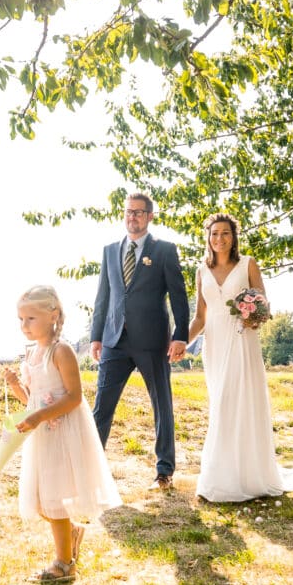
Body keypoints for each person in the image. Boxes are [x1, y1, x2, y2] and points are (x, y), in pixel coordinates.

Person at [186, 214, 293, 502]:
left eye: (225, 233)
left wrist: (254, 318)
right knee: (220, 403)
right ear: (208, 237)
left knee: (237, 403)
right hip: (215, 344)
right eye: (214, 233)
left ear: (233, 237)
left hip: (241, 340)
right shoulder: (201, 271)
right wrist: (180, 342)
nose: (219, 238)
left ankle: (234, 479)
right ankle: (225, 473)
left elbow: (263, 306)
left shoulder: (247, 264)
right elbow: (200, 317)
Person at [4, 285, 122, 582]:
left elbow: (74, 396)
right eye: (20, 319)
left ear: (53, 315)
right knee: (42, 498)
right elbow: (32, 398)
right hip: (42, 432)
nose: (24, 326)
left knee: (53, 499)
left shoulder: (61, 351)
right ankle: (70, 534)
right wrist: (17, 387)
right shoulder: (32, 354)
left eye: (31, 318)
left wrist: (39, 415)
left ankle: (64, 563)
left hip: (63, 430)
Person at [89, 192, 191, 490]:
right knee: (101, 408)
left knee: (162, 404)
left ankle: (164, 470)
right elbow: (103, 297)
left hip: (152, 341)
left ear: (150, 216)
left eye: (138, 212)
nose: (132, 216)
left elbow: (179, 296)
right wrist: (96, 336)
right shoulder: (109, 251)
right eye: (128, 212)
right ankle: (91, 467)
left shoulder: (165, 251)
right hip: (114, 340)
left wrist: (180, 335)